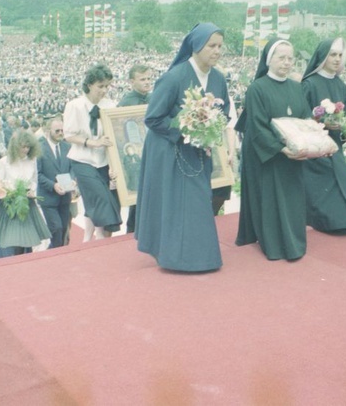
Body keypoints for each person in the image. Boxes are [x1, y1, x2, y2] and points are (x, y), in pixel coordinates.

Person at [136, 22, 230, 272]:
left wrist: (211, 125)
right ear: (196, 46)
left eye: (220, 46)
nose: (217, 51)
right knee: (173, 203)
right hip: (169, 150)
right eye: (212, 45)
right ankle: (171, 255)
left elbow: (225, 112)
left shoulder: (219, 78)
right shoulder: (174, 77)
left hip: (199, 151)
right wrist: (187, 127)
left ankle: (201, 256)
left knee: (199, 202)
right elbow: (153, 118)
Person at [235, 38, 311, 260]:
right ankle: (276, 244)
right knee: (271, 199)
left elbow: (305, 119)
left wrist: (308, 143)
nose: (287, 63)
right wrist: (282, 149)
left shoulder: (297, 88)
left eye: (290, 58)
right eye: (282, 58)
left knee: (292, 197)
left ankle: (293, 241)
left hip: (293, 153)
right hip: (267, 154)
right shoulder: (257, 88)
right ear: (269, 60)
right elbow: (257, 126)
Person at [301, 37, 346, 234]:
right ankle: (327, 222)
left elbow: (343, 116)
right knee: (328, 177)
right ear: (322, 57)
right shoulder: (309, 84)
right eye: (332, 55)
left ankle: (342, 220)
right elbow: (301, 116)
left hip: (335, 142)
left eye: (340, 55)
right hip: (315, 146)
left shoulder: (340, 85)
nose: (337, 59)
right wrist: (319, 122)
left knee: (342, 176)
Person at [63, 64, 122, 240]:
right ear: (89, 85)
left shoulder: (110, 105)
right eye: (100, 86)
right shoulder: (75, 105)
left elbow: (112, 136)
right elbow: (69, 135)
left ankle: (89, 236)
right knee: (100, 197)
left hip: (103, 161)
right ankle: (101, 235)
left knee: (96, 200)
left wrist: (113, 165)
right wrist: (92, 143)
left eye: (107, 86)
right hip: (82, 161)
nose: (104, 90)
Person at [0, 129, 51, 258]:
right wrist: (8, 193)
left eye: (28, 147)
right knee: (10, 243)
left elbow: (34, 180)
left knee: (26, 242)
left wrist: (31, 191)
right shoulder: (4, 162)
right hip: (9, 205)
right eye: (23, 147)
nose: (25, 150)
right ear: (15, 146)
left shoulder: (32, 160)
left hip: (26, 204)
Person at [116, 64, 153, 233]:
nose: (147, 82)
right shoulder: (125, 102)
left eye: (149, 78)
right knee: (137, 198)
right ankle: (132, 231)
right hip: (137, 154)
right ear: (132, 81)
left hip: (154, 152)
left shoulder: (155, 97)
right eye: (142, 79)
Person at [37, 116, 74, 249]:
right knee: (56, 228)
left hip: (65, 197)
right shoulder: (39, 148)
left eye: (62, 130)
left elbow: (72, 167)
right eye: (57, 131)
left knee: (64, 229)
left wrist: (73, 180)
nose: (60, 133)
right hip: (48, 197)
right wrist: (53, 185)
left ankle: (56, 253)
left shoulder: (67, 146)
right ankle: (54, 254)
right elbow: (37, 174)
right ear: (48, 131)